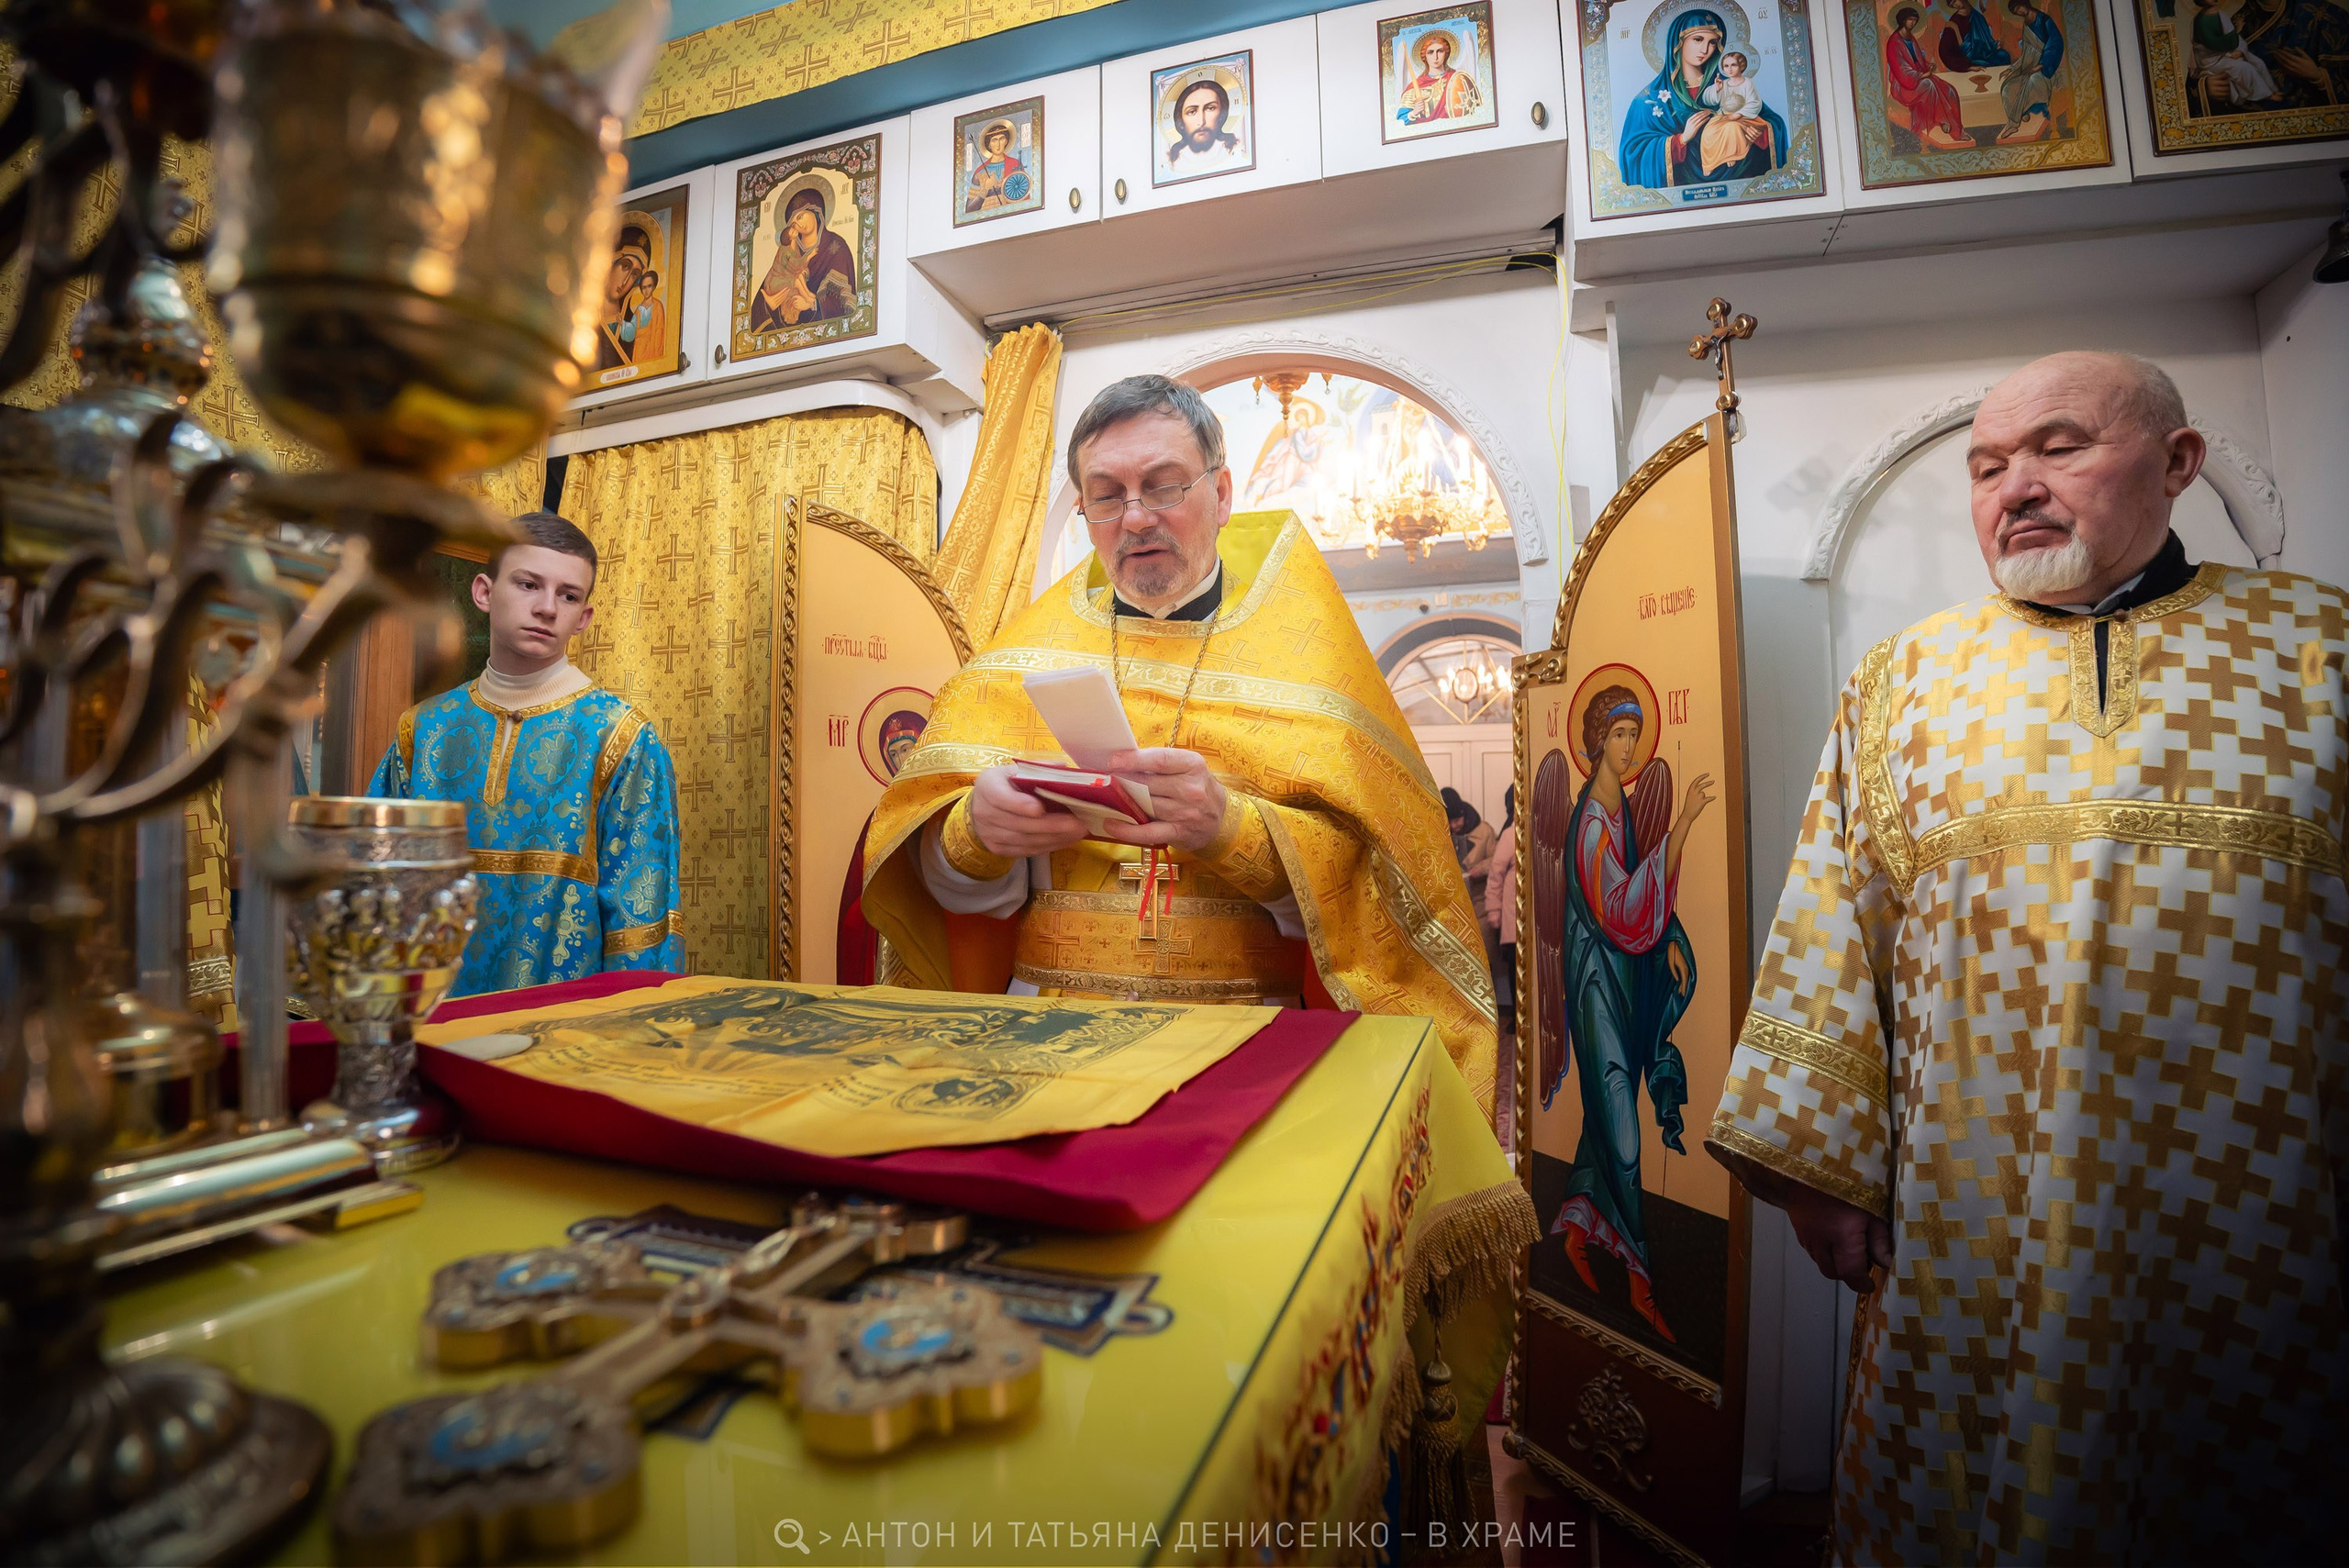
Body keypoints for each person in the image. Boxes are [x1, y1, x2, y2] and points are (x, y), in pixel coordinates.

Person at [1706, 350, 2349, 1562]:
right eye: (1988, 467)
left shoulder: (2321, 651)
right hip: (1971, 1207)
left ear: (2177, 463)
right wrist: (1820, 1170)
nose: (2018, 488)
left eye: (2060, 447)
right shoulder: (1905, 682)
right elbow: (1834, 918)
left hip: (2254, 1209)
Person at [862, 375, 1497, 1117]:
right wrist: (974, 832)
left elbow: (1377, 878)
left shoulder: (1309, 662)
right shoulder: (1017, 659)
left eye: (1164, 487)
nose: (1135, 517)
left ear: (1222, 494)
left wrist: (1232, 829)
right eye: (1106, 493)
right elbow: (935, 879)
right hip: (1043, 1049)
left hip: (1251, 1046)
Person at [370, 511, 684, 995]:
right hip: (429, 1021)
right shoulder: (425, 730)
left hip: (561, 1030)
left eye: (568, 595)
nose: (547, 607)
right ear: (483, 592)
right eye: (528, 584)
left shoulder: (619, 736)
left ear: (583, 619)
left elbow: (640, 918)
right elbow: (376, 880)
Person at [1546, 686, 1714, 1341]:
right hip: (1594, 985)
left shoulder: (1620, 811)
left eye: (1634, 735)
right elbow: (1618, 906)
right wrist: (1684, 828)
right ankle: (1643, 1280)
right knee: (1621, 1126)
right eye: (1619, 734)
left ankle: (1577, 1235)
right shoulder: (1590, 819)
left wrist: (1668, 940)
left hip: (1622, 974)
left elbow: (1641, 900)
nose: (1629, 746)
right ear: (1596, 742)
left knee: (1605, 1115)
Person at [1616, 9, 1788, 188]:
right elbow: (1634, 152)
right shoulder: (1649, 100)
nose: (1705, 50)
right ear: (1678, 43)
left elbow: (1773, 123)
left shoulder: (1729, 85)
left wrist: (1756, 132)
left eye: (1712, 42)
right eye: (1698, 40)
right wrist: (1680, 140)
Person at [750, 185, 856, 332]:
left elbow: (847, 306)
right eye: (793, 224)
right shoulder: (789, 253)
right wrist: (768, 303)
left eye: (800, 217)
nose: (798, 225)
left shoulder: (836, 248)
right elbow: (769, 288)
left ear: (816, 212)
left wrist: (814, 305)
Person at [1885, 9, 1972, 150]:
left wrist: (1926, 66)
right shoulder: (1893, 43)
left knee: (1949, 90)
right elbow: (1901, 70)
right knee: (1928, 85)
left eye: (1915, 20)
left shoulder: (1910, 38)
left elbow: (1916, 61)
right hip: (1903, 86)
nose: (1912, 23)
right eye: (1910, 19)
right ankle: (1942, 120)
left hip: (1918, 78)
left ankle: (1958, 130)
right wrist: (1921, 75)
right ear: (1902, 20)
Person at [1997, 0, 2065, 141]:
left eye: (2018, 7)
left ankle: (2014, 123)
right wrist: (2011, 69)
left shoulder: (2044, 20)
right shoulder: (2026, 24)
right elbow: (2026, 53)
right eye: (2015, 11)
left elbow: (2056, 43)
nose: (2019, 12)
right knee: (2007, 87)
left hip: (2046, 67)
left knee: (2031, 82)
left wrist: (2041, 64)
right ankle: (2020, 112)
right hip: (2029, 65)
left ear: (2024, 3)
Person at [2191, 0, 2284, 103]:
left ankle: (2272, 89)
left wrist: (2240, 51)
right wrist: (2237, 31)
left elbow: (2235, 37)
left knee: (2258, 62)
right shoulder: (2201, 21)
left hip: (2224, 53)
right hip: (2212, 60)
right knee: (2244, 68)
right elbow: (2213, 43)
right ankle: (2265, 95)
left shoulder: (2221, 15)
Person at [1697, 50, 1775, 172]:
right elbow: (1708, 100)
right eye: (1726, 66)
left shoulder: (1748, 83)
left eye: (1734, 65)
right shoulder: (1723, 83)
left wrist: (1740, 113)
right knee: (1709, 131)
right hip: (1723, 116)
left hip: (1744, 117)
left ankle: (1731, 155)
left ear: (1741, 66)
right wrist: (1717, 89)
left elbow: (1754, 102)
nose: (1730, 69)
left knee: (1732, 127)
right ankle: (1710, 164)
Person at [1483, 784, 1518, 1028]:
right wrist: (1493, 911)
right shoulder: (1510, 834)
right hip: (1513, 917)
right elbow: (1495, 876)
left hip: (1543, 919)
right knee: (1517, 968)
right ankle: (1518, 1018)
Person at [1397, 28, 1484, 125]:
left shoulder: (1456, 79)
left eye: (1440, 51)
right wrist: (1414, 112)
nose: (1435, 57)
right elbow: (1401, 119)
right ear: (1424, 56)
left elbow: (1472, 108)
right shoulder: (1415, 86)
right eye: (1430, 52)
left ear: (1446, 54)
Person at [1164, 78, 1245, 175]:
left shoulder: (1234, 151)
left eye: (1210, 108)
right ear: (1180, 119)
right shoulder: (1174, 161)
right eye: (1192, 112)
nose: (1201, 121)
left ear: (1222, 113)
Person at [962, 120, 1028, 215]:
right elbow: (969, 210)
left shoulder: (1015, 165)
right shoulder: (979, 173)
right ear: (989, 144)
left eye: (1001, 139)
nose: (998, 144)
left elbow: (1023, 197)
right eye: (994, 140)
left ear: (1006, 141)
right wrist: (985, 189)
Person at [1938, 0, 2014, 69]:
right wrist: (1966, 66)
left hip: (1984, 53)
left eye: (1955, 1)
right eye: (1952, 5)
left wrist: (1995, 45)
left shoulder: (1978, 16)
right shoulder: (1953, 22)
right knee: (1984, 65)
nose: (1955, 5)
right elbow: (1944, 49)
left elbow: (1986, 40)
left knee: (2003, 55)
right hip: (1969, 57)